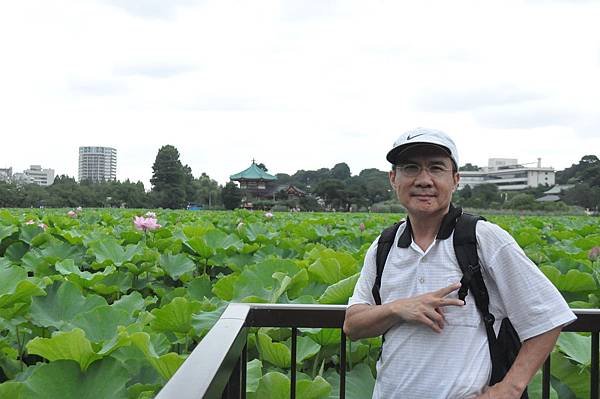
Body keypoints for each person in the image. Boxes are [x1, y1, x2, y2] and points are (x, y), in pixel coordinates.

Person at [343, 127, 576, 399]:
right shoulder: (385, 245)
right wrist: (398, 308)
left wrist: (510, 388)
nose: (424, 180)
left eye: (436, 168)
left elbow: (549, 316)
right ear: (394, 179)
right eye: (411, 168)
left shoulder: (483, 238)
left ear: (455, 180)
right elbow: (353, 325)